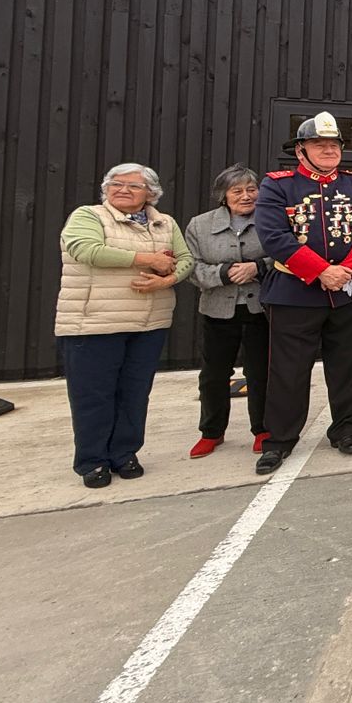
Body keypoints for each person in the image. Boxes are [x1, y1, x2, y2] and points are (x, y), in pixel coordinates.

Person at [255, 112, 352, 475]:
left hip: (346, 293)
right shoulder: (277, 186)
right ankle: (279, 440)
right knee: (288, 371)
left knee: (347, 367)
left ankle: (345, 429)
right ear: (301, 151)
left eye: (334, 144)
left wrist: (346, 271)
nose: (329, 150)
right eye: (319, 144)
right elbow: (274, 236)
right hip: (295, 294)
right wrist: (321, 271)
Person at [56, 163, 194, 487]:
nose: (122, 190)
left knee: (134, 393)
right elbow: (87, 251)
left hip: (149, 323)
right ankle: (93, 461)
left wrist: (168, 279)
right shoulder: (88, 216)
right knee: (93, 395)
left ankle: (125, 453)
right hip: (94, 322)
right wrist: (149, 259)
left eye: (133, 186)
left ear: (150, 193)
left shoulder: (164, 223)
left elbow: (186, 259)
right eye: (115, 184)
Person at [185, 166, 272, 458]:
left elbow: (285, 254)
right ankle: (212, 432)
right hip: (218, 310)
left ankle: (262, 429)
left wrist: (258, 267)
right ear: (223, 195)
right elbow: (190, 267)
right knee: (214, 374)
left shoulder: (272, 219)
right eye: (237, 191)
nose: (246, 196)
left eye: (251, 189)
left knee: (261, 372)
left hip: (261, 309)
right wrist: (223, 273)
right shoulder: (200, 225)